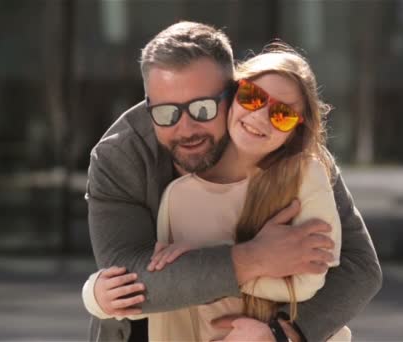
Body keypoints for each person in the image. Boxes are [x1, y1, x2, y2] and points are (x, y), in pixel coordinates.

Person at [84, 21, 381, 342]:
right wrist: (252, 259)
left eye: (203, 108)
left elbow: (360, 266)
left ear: (235, 90)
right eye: (166, 112)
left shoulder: (290, 148)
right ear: (149, 102)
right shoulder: (118, 157)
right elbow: (127, 285)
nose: (186, 129)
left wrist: (285, 333)